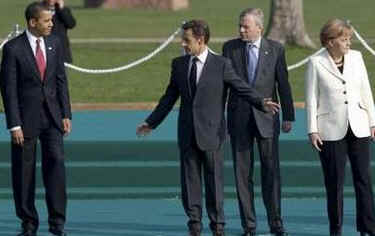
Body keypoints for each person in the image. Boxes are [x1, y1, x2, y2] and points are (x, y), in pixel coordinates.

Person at [136, 19, 280, 236]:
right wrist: (151, 122)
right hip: (187, 132)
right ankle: (194, 224)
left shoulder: (221, 64)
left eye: (187, 41)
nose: (183, 45)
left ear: (200, 40)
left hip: (212, 133)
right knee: (190, 181)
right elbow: (169, 97)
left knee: (214, 182)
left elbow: (241, 88)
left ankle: (217, 225)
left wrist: (261, 102)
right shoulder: (179, 64)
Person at [0, 2, 72, 236]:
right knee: (23, 173)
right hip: (25, 121)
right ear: (33, 22)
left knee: (57, 168)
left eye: (52, 20)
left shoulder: (55, 43)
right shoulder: (12, 48)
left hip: (52, 119)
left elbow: (61, 80)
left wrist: (65, 114)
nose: (52, 24)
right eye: (47, 20)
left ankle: (57, 223)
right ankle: (28, 224)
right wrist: (14, 124)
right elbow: (8, 89)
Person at [222, 8, 294, 236]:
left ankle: (276, 223)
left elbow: (283, 83)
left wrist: (289, 116)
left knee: (271, 172)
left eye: (246, 26)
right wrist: (219, 117)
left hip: (267, 118)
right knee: (242, 174)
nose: (241, 29)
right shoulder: (229, 48)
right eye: (240, 25)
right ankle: (249, 225)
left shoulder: (275, 49)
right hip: (239, 118)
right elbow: (224, 85)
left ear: (259, 28)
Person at [305, 19, 375, 236]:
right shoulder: (315, 63)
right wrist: (312, 129)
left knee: (363, 179)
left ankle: (368, 228)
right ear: (329, 41)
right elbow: (311, 98)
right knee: (334, 184)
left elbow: (366, 90)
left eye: (349, 39)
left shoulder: (357, 58)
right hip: (330, 130)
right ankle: (336, 229)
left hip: (359, 127)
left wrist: (373, 122)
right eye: (344, 39)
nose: (348, 43)